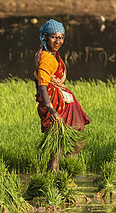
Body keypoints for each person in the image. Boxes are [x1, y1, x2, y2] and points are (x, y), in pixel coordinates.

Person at [34, 19, 90, 171]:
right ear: (45, 36)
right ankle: (54, 181)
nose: (58, 41)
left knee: (75, 141)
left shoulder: (53, 55)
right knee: (57, 149)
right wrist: (51, 109)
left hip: (62, 104)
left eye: (61, 38)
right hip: (54, 107)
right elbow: (42, 87)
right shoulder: (46, 58)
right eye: (54, 37)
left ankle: (62, 174)